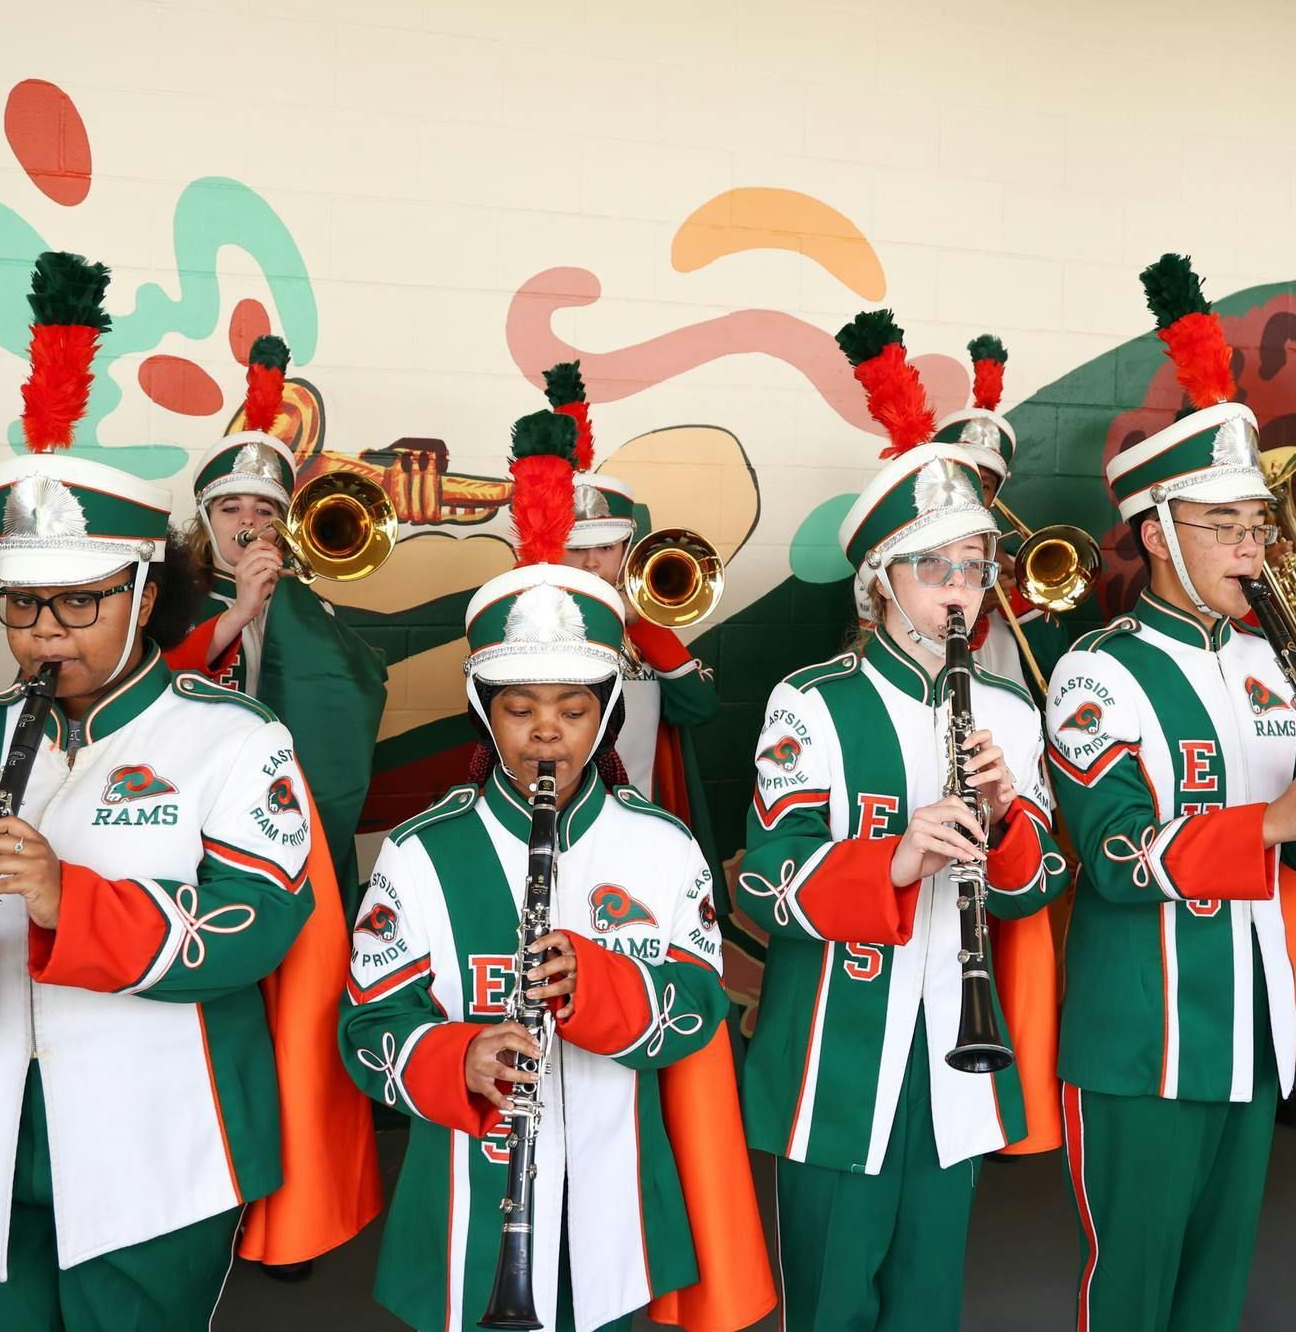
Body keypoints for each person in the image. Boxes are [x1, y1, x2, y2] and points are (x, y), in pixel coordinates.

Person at [0, 252, 376, 1329]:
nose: (43, 634)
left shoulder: (235, 742)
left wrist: (69, 900)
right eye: (21, 606)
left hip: (165, 1144)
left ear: (147, 593)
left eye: (77, 605)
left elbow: (256, 926)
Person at [339, 408, 773, 1332]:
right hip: (465, 1204)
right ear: (482, 712)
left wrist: (600, 985)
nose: (545, 731)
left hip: (617, 1200)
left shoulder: (661, 845)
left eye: (573, 709)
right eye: (520, 708)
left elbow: (697, 1012)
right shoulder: (420, 852)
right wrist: (458, 1055)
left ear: (607, 710)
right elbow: (367, 1028)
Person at [1043, 256, 1296, 1332]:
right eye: (1226, 528)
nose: (1251, 549)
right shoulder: (1096, 670)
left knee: (1214, 1287)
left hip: (1251, 1022)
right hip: (1143, 1035)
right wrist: (1274, 817)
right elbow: (1114, 858)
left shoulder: (1272, 663)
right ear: (1153, 534)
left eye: (1256, 528)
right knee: (1134, 1290)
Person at [736, 310, 1067, 1331]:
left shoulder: (1010, 710)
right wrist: (892, 859)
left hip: (955, 1059)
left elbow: (1038, 884)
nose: (961, 592)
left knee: (927, 1302)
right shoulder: (811, 700)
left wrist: (1010, 816)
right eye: (936, 570)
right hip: (837, 1058)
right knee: (832, 1304)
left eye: (974, 568)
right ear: (879, 580)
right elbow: (760, 879)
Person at [166, 334, 388, 902]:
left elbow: (355, 692)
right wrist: (241, 612)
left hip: (288, 800)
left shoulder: (309, 603)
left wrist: (290, 608)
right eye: (230, 508)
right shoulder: (172, 598)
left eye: (265, 510)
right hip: (199, 799)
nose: (248, 522)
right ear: (206, 518)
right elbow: (161, 680)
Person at [541, 360, 717, 811]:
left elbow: (698, 707)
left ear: (628, 549)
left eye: (607, 548)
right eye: (575, 547)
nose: (592, 562)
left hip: (642, 813)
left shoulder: (641, 624)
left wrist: (640, 620)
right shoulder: (527, 620)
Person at [931, 334, 1071, 696]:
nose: (976, 495)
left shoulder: (1010, 566)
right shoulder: (905, 558)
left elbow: (1056, 672)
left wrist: (1023, 598)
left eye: (987, 484)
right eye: (965, 479)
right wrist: (973, 610)